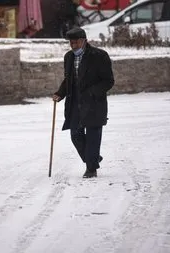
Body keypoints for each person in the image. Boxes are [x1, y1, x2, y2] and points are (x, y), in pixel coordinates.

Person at [53, 26, 114, 178]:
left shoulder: (99, 56)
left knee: (93, 136)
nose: (73, 46)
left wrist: (92, 93)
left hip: (94, 104)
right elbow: (69, 80)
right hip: (75, 103)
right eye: (71, 43)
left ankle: (91, 169)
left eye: (76, 43)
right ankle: (92, 158)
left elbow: (108, 81)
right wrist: (60, 94)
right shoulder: (69, 57)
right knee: (75, 135)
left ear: (84, 41)